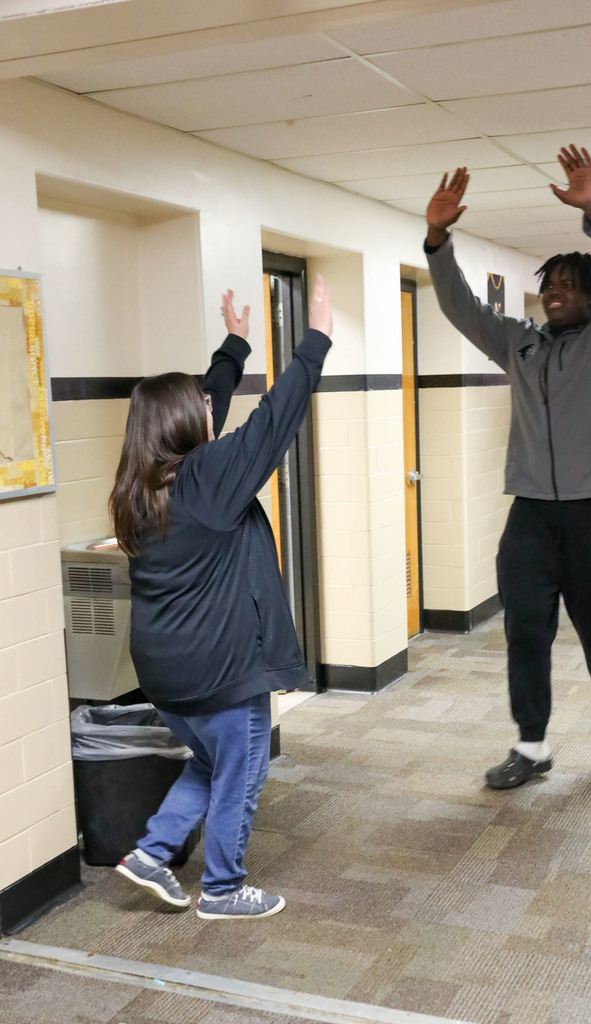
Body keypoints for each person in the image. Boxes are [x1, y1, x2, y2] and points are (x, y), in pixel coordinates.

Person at [424, 145, 591, 788]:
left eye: (568, 286)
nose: (555, 293)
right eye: (549, 285)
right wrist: (438, 241)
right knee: (526, 632)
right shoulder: (519, 344)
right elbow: (462, 308)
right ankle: (531, 748)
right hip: (529, 515)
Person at [109, 275, 332, 919]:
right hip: (220, 670)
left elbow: (211, 405)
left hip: (164, 674)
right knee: (242, 771)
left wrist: (234, 345)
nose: (212, 409)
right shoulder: (208, 480)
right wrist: (314, 340)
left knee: (211, 763)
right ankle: (225, 889)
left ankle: (153, 853)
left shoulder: (141, 484)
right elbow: (270, 425)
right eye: (203, 408)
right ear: (188, 426)